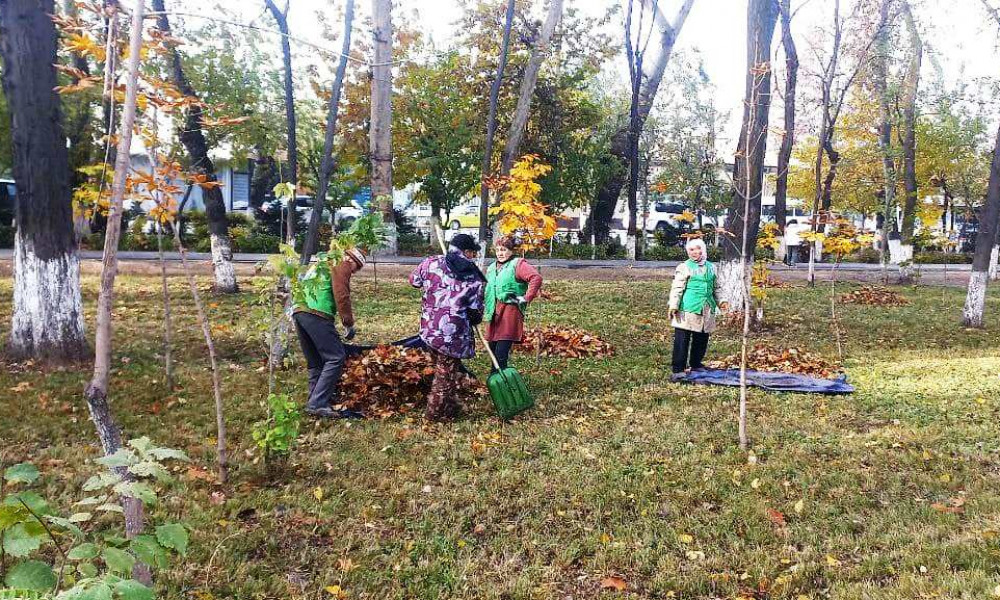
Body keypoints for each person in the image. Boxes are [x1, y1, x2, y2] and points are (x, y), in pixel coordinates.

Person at [410, 233, 486, 421]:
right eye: (473, 253)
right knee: (444, 377)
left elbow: (414, 281)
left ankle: (450, 408)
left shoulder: (430, 263)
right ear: (466, 252)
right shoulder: (474, 276)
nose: (474, 257)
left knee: (446, 371)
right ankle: (432, 417)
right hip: (452, 336)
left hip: (429, 330)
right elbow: (476, 312)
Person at [293, 247, 366, 418]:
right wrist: (348, 323)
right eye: (355, 269)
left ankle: (314, 400)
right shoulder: (342, 263)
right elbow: (342, 294)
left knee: (315, 360)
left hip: (299, 310)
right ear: (352, 260)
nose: (352, 273)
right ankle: (318, 403)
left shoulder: (323, 261)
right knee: (335, 356)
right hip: (317, 312)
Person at [668, 238, 728, 381]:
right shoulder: (684, 267)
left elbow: (717, 287)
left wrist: (722, 301)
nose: (695, 252)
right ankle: (678, 368)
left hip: (706, 307)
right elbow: (677, 287)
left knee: (702, 337)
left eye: (698, 249)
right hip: (687, 307)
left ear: (703, 250)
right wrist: (674, 305)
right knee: (682, 338)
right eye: (691, 250)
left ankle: (696, 363)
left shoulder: (711, 267)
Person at [483, 235, 543, 371]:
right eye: (498, 250)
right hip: (494, 313)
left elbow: (536, 278)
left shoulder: (518, 264)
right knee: (493, 352)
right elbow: (486, 288)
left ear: (511, 251)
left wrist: (525, 298)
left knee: (501, 353)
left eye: (504, 250)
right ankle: (495, 380)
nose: (500, 253)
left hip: (510, 312)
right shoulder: (492, 267)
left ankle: (503, 382)